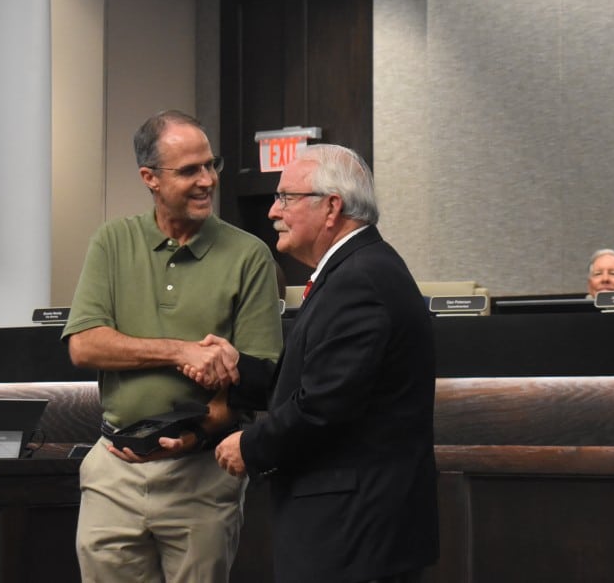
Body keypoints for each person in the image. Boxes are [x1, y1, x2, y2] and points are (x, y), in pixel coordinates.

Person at [186, 144, 439, 583]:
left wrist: (249, 446)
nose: (273, 211)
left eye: (286, 197)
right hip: (354, 533)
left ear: (331, 207)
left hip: (352, 536)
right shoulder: (357, 269)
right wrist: (237, 368)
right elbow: (317, 382)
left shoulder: (358, 280)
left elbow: (324, 407)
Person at [62, 109, 284, 582]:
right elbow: (84, 346)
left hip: (202, 474)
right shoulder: (112, 241)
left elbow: (259, 375)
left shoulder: (250, 255)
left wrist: (200, 433)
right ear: (150, 178)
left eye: (211, 164)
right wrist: (182, 352)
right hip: (113, 470)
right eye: (189, 171)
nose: (207, 180)